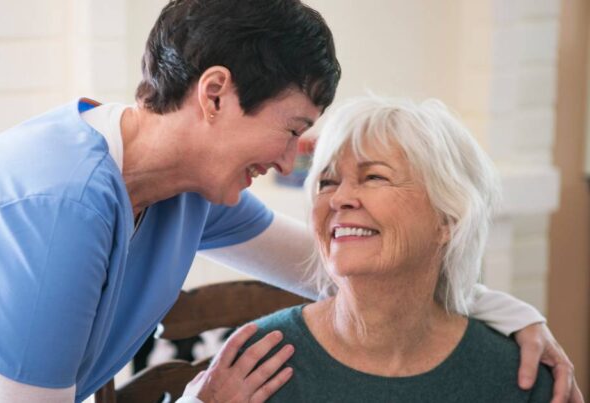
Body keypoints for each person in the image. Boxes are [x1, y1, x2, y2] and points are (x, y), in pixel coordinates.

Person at [0, 1, 579, 402]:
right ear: (214, 92)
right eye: (292, 131)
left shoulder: (185, 187)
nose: (293, 162)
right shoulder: (54, 208)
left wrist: (514, 317)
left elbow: (332, 268)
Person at [202, 95, 562, 402]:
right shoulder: (259, 363)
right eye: (327, 182)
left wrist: (517, 315)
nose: (339, 198)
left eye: (374, 176)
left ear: (448, 220)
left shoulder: (519, 374)